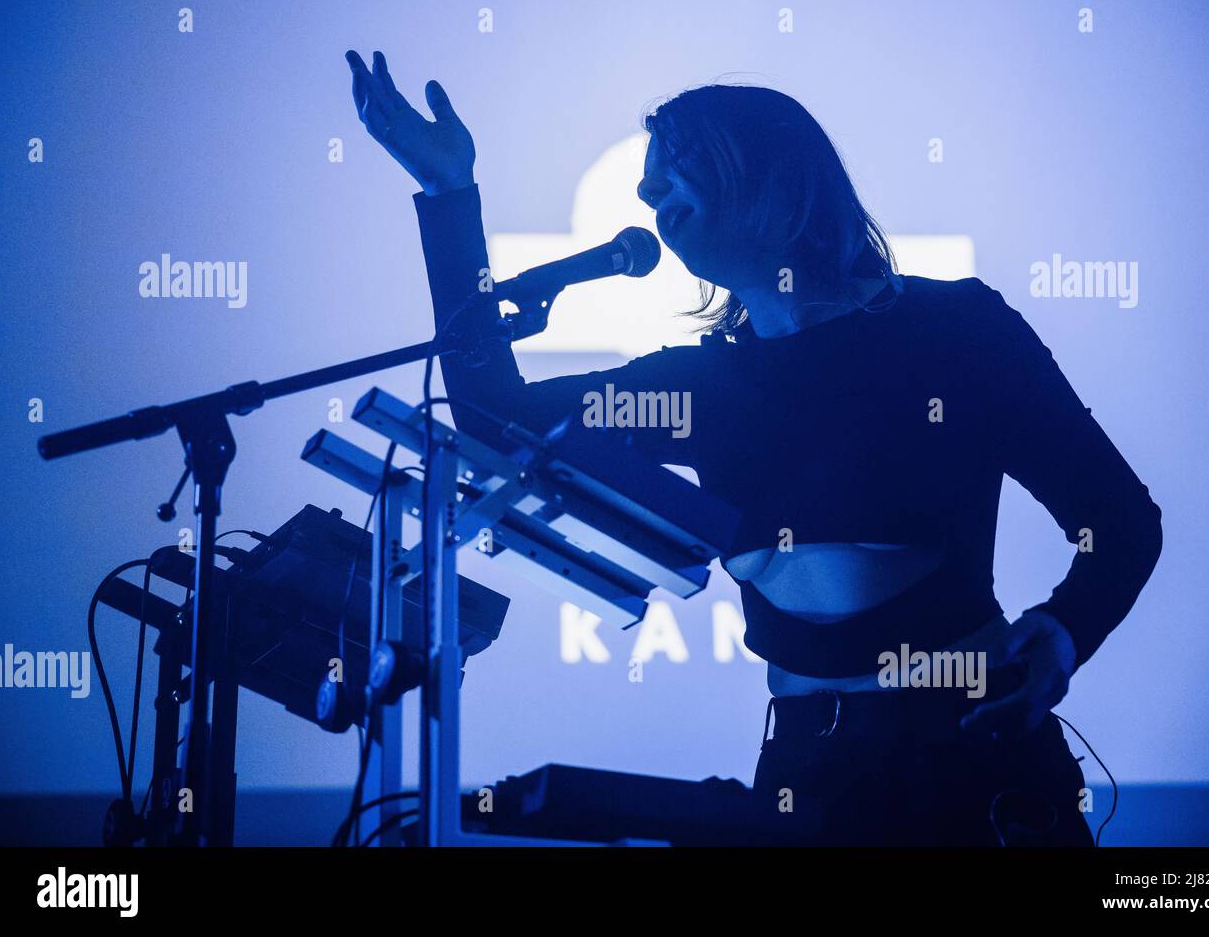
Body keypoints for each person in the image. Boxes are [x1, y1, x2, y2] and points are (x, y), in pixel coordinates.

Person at [345, 50, 1163, 845]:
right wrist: (450, 193)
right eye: (645, 171)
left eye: (680, 161)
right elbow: (494, 422)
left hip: (973, 766)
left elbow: (1121, 519)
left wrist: (1065, 627)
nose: (646, 187)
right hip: (803, 777)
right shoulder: (701, 387)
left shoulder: (959, 331)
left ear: (775, 177)